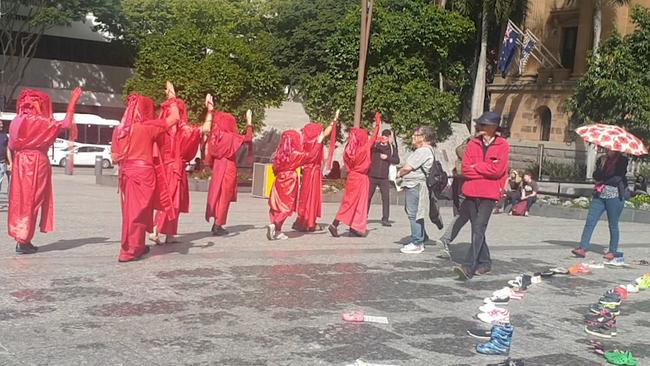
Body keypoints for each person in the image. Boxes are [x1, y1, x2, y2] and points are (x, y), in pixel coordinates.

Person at [7, 87, 82, 254]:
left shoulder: (16, 121)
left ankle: (21, 236)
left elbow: (11, 145)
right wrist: (72, 102)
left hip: (20, 161)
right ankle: (24, 239)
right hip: (36, 162)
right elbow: (66, 123)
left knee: (20, 200)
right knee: (33, 200)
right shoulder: (41, 122)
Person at [111, 83, 180, 262]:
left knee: (132, 211)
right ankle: (130, 250)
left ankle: (136, 246)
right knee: (138, 212)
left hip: (127, 172)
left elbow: (114, 157)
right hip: (143, 173)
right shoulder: (147, 127)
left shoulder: (120, 130)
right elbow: (174, 118)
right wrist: (172, 97)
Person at [453, 111, 510, 280]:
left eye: (483, 125)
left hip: (489, 194)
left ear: (493, 127)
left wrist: (477, 167)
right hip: (471, 192)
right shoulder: (472, 144)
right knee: (477, 229)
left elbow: (498, 170)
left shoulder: (503, 145)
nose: (479, 128)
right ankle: (485, 262)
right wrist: (485, 168)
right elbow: (465, 169)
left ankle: (468, 267)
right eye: (479, 124)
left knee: (478, 228)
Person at [150, 96, 204, 244]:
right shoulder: (182, 129)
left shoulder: (159, 127)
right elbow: (201, 130)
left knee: (169, 200)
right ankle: (156, 229)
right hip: (175, 169)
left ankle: (169, 233)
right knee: (171, 200)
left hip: (163, 167)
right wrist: (210, 112)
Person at [268, 125, 332, 240]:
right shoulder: (296, 154)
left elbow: (274, 168)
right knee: (286, 207)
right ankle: (275, 225)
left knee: (275, 206)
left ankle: (276, 230)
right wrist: (319, 142)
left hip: (278, 179)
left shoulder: (278, 154)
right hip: (290, 180)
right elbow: (311, 156)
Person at [204, 102, 253, 236]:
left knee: (217, 194)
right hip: (228, 166)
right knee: (225, 196)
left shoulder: (215, 135)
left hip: (218, 166)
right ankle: (218, 224)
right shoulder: (230, 137)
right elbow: (248, 138)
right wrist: (249, 122)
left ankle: (216, 221)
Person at [329, 113, 381, 237]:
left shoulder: (348, 150)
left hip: (352, 176)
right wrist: (377, 124)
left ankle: (353, 226)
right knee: (356, 203)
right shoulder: (364, 148)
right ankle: (335, 224)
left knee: (350, 202)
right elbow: (373, 137)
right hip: (361, 178)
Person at [571, 149, 629, 261]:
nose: (608, 150)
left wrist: (603, 180)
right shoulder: (602, 160)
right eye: (607, 148)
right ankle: (582, 248)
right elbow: (596, 176)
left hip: (614, 196)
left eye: (610, 148)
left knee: (613, 224)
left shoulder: (622, 160)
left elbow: (617, 178)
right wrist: (602, 166)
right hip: (600, 195)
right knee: (590, 221)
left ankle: (612, 251)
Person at [293, 114, 338, 232]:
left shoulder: (304, 141)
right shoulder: (317, 140)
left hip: (306, 171)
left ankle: (301, 220)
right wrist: (334, 119)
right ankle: (309, 222)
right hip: (314, 171)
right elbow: (326, 132)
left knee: (305, 196)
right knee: (312, 197)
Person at [396, 126, 436, 254]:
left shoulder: (423, 151)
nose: (413, 136)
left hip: (415, 185)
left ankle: (417, 242)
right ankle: (422, 237)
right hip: (415, 184)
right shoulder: (425, 150)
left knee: (414, 214)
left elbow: (408, 168)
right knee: (415, 212)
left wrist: (399, 174)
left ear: (423, 137)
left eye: (416, 134)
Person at [368, 129, 400, 227]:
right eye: (384, 136)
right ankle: (363, 216)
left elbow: (397, 160)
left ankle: (385, 219)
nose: (385, 138)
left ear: (389, 137)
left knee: (386, 198)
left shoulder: (391, 148)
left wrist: (387, 158)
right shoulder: (375, 146)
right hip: (372, 176)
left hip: (384, 177)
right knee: (367, 197)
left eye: (387, 136)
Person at [0, 121, 9, 196]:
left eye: (2, 123)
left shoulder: (4, 136)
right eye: (0, 124)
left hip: (2, 162)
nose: (2, 125)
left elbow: (7, 149)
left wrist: (9, 162)